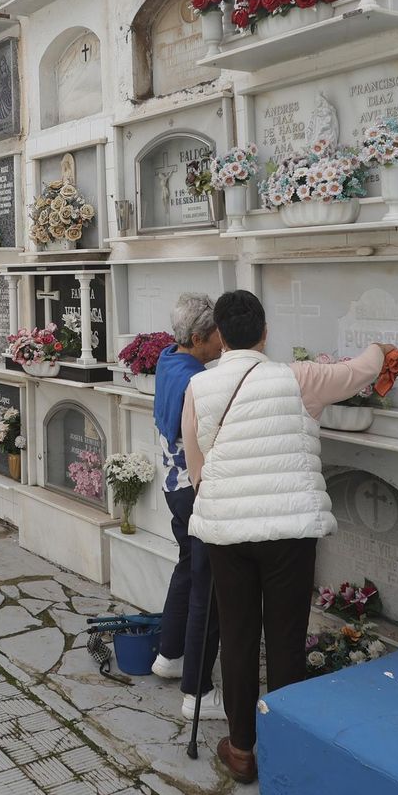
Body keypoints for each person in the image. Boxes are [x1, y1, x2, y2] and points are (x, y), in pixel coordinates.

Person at [182, 290, 394, 784]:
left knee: (237, 637)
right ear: (265, 333)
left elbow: (196, 463)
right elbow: (357, 373)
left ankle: (241, 749)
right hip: (290, 530)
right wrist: (380, 351)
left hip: (227, 530)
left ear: (220, 336)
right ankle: (284, 746)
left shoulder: (200, 387)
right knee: (285, 638)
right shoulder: (298, 378)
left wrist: (221, 502)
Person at [149, 294, 225, 720]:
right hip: (192, 489)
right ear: (197, 339)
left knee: (187, 568)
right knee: (206, 588)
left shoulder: (168, 359)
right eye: (216, 336)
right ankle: (198, 693)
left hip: (173, 487)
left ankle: (170, 653)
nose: (222, 343)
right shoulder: (196, 382)